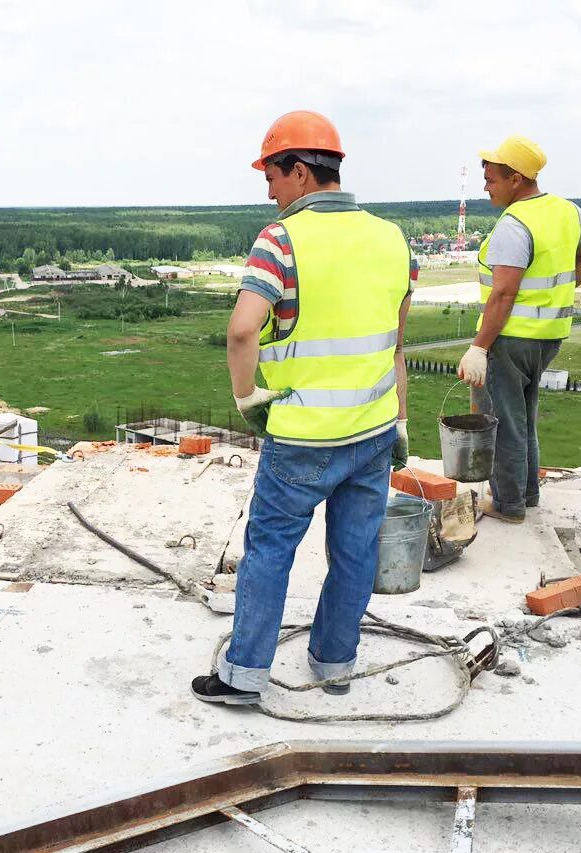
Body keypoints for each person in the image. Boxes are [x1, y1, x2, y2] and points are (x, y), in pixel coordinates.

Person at [192, 111, 413, 706]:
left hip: (302, 439)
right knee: (355, 553)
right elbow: (395, 345)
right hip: (372, 433)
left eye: (271, 176)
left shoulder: (281, 239)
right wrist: (401, 423)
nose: (269, 191)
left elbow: (242, 332)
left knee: (268, 552)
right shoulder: (393, 239)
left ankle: (244, 677)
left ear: (299, 171)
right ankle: (335, 663)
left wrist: (247, 399)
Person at [458, 136, 581, 523]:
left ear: (516, 179)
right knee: (523, 417)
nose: (485, 185)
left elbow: (503, 293)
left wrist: (479, 347)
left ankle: (508, 505)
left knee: (503, 423)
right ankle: (527, 495)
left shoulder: (514, 223)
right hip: (548, 336)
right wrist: (556, 294)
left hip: (509, 340)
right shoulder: (566, 211)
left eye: (491, 179)